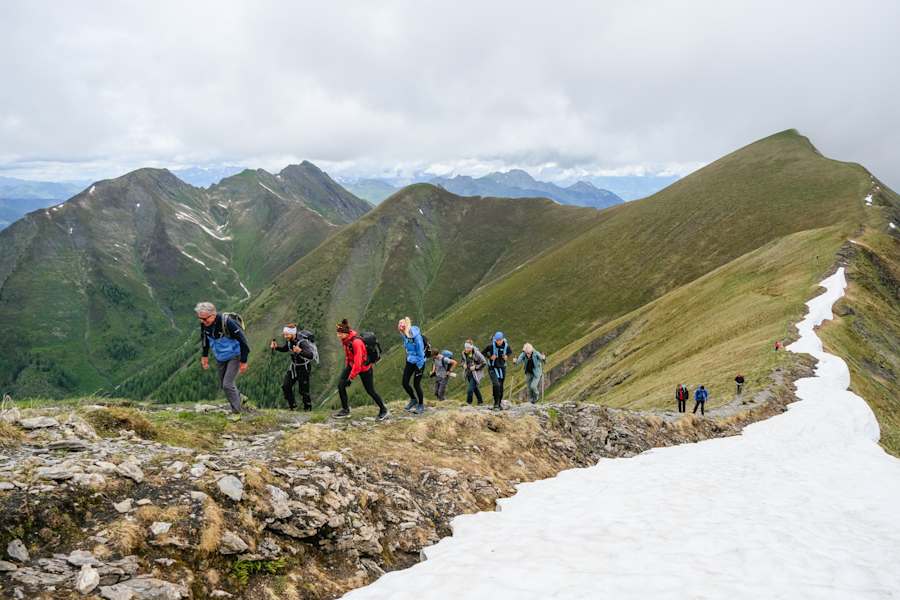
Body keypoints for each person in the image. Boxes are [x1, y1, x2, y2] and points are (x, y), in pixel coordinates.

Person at [196, 302, 250, 416]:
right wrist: (204, 356)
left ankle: (237, 412)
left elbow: (243, 340)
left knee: (227, 384)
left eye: (205, 319)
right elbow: (204, 339)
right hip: (220, 356)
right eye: (200, 319)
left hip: (235, 355)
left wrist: (244, 360)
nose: (203, 322)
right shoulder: (204, 324)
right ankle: (240, 398)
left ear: (213, 314)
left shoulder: (227, 322)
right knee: (223, 384)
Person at [335, 319, 388, 420]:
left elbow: (358, 363)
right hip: (352, 365)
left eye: (340, 333)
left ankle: (383, 409)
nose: (338, 335)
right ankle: (345, 410)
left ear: (346, 333)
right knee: (340, 385)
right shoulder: (346, 341)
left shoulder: (356, 343)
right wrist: (348, 368)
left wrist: (350, 378)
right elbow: (348, 356)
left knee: (370, 391)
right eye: (338, 333)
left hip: (364, 368)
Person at [270, 324, 316, 411]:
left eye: (287, 334)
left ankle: (308, 409)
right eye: (284, 334)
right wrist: (276, 347)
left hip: (304, 368)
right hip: (294, 367)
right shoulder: (289, 341)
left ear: (293, 334)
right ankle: (292, 406)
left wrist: (300, 351)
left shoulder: (302, 342)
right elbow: (285, 348)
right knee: (286, 386)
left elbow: (311, 355)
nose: (285, 336)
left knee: (303, 391)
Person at [397, 317, 426, 413]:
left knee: (416, 384)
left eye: (401, 327)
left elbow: (421, 353)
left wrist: (419, 366)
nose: (400, 329)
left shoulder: (416, 337)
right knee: (404, 382)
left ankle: (421, 405)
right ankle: (413, 400)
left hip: (419, 362)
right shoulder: (405, 334)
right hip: (410, 360)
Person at [483, 332, 513, 410]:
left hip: (502, 368)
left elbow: (510, 352)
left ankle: (499, 403)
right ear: (495, 340)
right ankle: (496, 404)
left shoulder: (506, 346)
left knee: (501, 386)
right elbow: (483, 353)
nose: (498, 342)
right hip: (492, 368)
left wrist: (507, 356)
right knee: (496, 384)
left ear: (503, 339)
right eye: (497, 340)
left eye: (500, 340)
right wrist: (490, 356)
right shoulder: (491, 346)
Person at [461, 340, 487, 405]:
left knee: (470, 390)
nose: (466, 349)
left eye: (468, 348)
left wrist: (475, 367)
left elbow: (484, 362)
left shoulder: (476, 353)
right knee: (474, 388)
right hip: (468, 373)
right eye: (466, 347)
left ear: (471, 347)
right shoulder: (463, 353)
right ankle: (480, 402)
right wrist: (463, 365)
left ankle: (468, 403)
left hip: (476, 374)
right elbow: (462, 361)